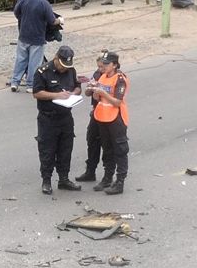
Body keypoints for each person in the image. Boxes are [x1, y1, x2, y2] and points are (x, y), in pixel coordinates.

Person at [33, 45, 83, 195]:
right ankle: (46, 181)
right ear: (56, 58)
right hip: (48, 118)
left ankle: (64, 179)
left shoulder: (71, 70)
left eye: (67, 65)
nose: (64, 68)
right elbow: (37, 93)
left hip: (65, 117)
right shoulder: (43, 71)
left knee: (65, 149)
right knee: (47, 151)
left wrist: (73, 93)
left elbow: (78, 87)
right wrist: (56, 95)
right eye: (62, 65)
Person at [84, 50, 129, 195]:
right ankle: (107, 178)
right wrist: (95, 92)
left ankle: (120, 181)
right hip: (102, 117)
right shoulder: (102, 76)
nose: (103, 66)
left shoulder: (120, 79)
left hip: (116, 118)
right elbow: (97, 98)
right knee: (107, 149)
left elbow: (117, 102)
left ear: (114, 65)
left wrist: (103, 93)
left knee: (120, 150)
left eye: (106, 64)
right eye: (102, 64)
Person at [8, 0, 59, 93]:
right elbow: (52, 21)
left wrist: (24, 19)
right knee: (34, 63)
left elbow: (16, 12)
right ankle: (30, 85)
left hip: (23, 35)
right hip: (37, 38)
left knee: (20, 60)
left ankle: (14, 83)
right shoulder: (45, 4)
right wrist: (60, 20)